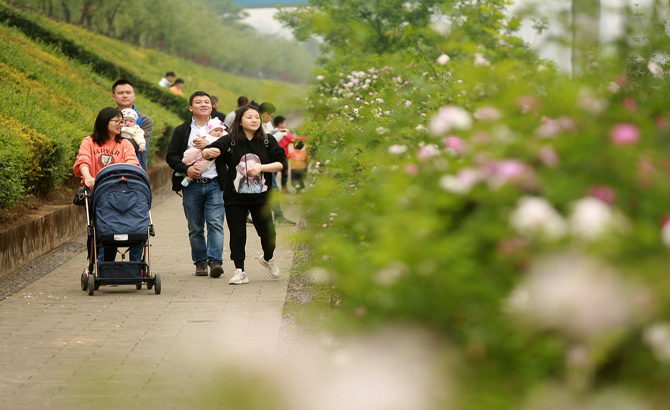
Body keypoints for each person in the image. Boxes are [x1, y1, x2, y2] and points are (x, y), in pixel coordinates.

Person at [202, 104, 286, 285]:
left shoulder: (267, 141)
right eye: (249, 117)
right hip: (235, 198)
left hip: (261, 197)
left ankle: (268, 258)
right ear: (239, 121)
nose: (254, 120)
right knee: (238, 235)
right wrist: (209, 151)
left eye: (256, 117)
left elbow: (280, 164)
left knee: (268, 233)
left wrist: (262, 167)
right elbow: (207, 152)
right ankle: (240, 270)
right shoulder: (230, 141)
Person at [166, 91, 225, 278]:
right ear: (191, 108)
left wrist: (209, 148)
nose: (203, 104)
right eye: (198, 102)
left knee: (215, 223)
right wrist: (185, 169)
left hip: (215, 184)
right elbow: (171, 156)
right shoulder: (182, 130)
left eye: (207, 102)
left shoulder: (222, 130)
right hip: (191, 185)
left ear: (212, 106)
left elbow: (231, 151)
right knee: (195, 226)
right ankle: (200, 262)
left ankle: (215, 261)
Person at [73, 107, 141, 262]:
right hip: (96, 191)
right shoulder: (89, 141)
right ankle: (96, 264)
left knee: (119, 226)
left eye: (122, 122)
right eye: (116, 121)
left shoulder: (125, 144)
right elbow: (83, 160)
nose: (120, 124)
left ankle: (114, 264)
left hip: (120, 193)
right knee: (97, 229)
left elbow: (132, 163)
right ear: (104, 122)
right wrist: (88, 176)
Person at [259, 102, 295, 226]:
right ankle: (278, 216)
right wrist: (282, 134)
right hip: (263, 162)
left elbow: (266, 133)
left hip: (263, 162)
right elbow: (267, 139)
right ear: (265, 114)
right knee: (272, 188)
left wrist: (277, 130)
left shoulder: (259, 122)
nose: (271, 118)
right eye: (271, 116)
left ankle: (247, 214)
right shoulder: (257, 122)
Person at [112, 79, 153, 170]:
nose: (125, 95)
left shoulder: (144, 120)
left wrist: (113, 138)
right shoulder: (108, 118)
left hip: (136, 169)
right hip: (109, 167)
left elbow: (138, 144)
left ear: (134, 96)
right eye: (120, 93)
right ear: (114, 97)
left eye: (128, 92)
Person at [179, 118, 227, 187]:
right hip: (197, 151)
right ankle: (183, 170)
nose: (219, 133)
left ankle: (188, 178)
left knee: (201, 166)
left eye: (221, 131)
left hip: (209, 158)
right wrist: (195, 140)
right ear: (209, 131)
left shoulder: (222, 139)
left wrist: (208, 145)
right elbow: (195, 137)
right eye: (216, 130)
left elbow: (226, 149)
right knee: (188, 156)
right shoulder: (204, 133)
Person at [273, 115, 306, 191]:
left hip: (274, 155)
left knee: (274, 173)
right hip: (283, 156)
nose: (285, 125)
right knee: (284, 173)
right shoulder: (285, 132)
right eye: (284, 123)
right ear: (280, 124)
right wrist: (307, 138)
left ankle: (272, 188)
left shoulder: (273, 131)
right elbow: (295, 140)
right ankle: (284, 189)